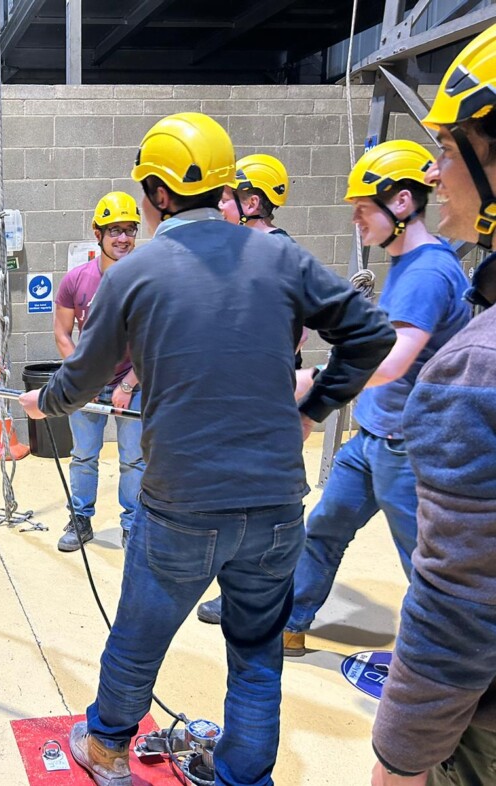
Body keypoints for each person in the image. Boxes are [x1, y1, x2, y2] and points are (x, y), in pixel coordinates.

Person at [18, 111, 396, 786]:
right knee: (256, 651)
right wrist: (312, 408)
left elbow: (80, 380)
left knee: (139, 635)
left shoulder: (135, 273)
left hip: (182, 505)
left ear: (160, 194)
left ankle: (105, 750)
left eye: (144, 192)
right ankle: (245, 777)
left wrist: (40, 403)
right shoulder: (280, 255)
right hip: (278, 504)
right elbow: (368, 334)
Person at [279, 140, 471, 657]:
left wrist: (313, 380)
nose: (357, 220)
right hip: (371, 440)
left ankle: (441, 664)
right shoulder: (409, 266)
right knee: (323, 529)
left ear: (402, 203)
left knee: (423, 561)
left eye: (364, 209)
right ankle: (291, 624)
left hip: (408, 447)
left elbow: (387, 364)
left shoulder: (428, 272)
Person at [371, 23, 496, 786]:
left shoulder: (476, 365)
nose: (434, 168)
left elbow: (458, 603)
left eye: (447, 149)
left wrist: (400, 759)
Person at [199, 153, 301, 623]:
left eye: (228, 196)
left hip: (262, 397)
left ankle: (253, 598)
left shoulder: (277, 252)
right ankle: (244, 592)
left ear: (251, 201)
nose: (221, 204)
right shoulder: (245, 249)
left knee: (259, 496)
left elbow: (296, 330)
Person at [53, 191, 145, 552]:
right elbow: (62, 334)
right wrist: (83, 379)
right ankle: (80, 519)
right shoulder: (76, 280)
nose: (123, 238)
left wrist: (128, 382)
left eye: (130, 230)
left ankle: (132, 524)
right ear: (97, 233)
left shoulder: (145, 280)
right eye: (115, 230)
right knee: (83, 456)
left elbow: (151, 340)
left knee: (133, 459)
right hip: (86, 385)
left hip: (133, 384)